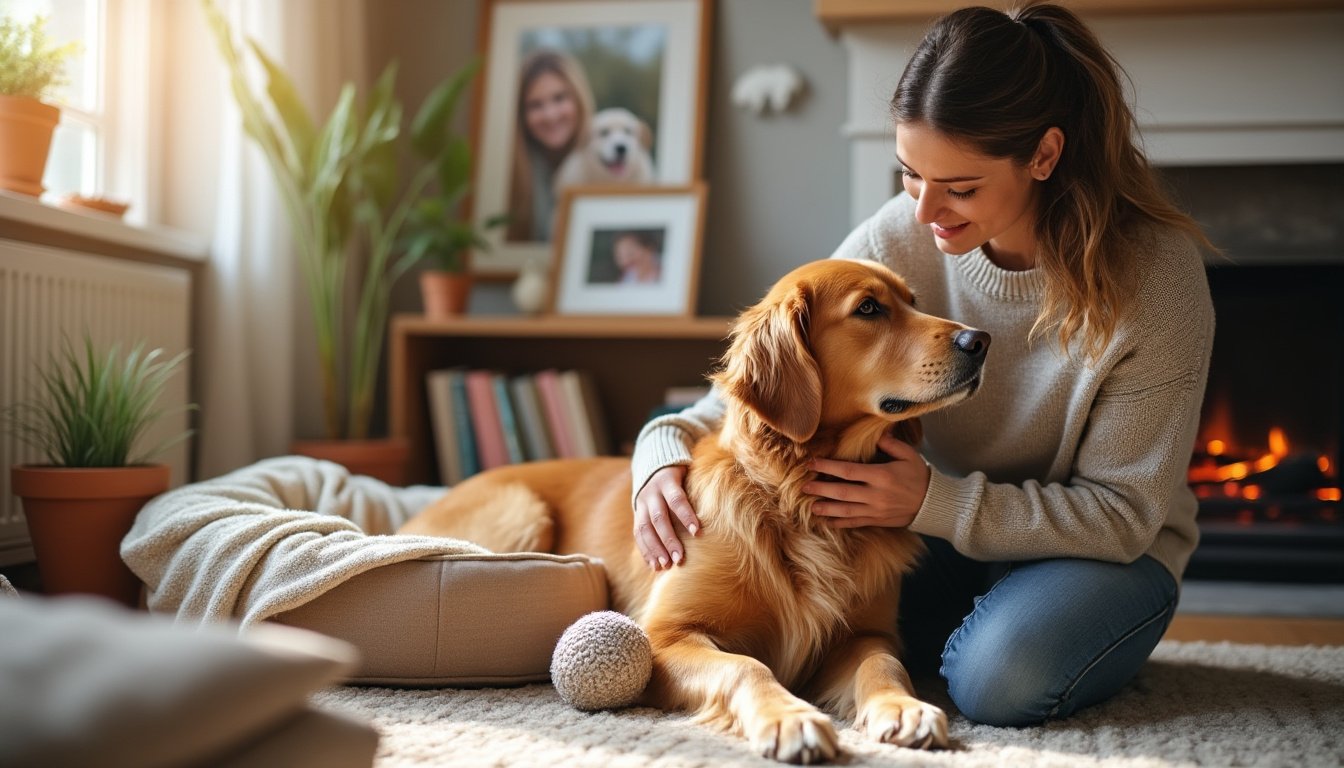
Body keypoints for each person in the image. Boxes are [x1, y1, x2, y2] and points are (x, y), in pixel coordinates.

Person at [629, 2, 1216, 728]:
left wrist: (930, 503)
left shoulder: (1155, 278)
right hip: (939, 533)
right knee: (837, 634)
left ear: (1044, 155)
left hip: (1099, 550)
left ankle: (1037, 636)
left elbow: (1124, 514)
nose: (927, 211)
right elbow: (771, 383)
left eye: (961, 187)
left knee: (1003, 680)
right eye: (909, 173)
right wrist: (658, 456)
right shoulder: (900, 234)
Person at [508, 49, 595, 242]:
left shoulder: (605, 165)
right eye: (535, 105)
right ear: (520, 114)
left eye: (559, 98)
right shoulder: (509, 176)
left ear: (579, 99)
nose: (550, 115)